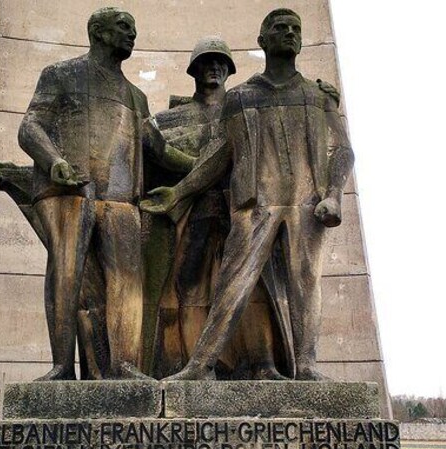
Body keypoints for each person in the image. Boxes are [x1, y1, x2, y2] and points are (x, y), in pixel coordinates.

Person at [141, 9, 354, 381]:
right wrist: (178, 193)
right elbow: (218, 157)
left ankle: (306, 365)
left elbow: (342, 150)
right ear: (262, 41)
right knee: (233, 282)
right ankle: (199, 364)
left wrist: (334, 194)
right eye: (279, 28)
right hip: (255, 206)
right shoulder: (240, 98)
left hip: (307, 205)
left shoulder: (317, 96)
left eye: (294, 29)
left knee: (305, 283)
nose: (288, 33)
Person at [18, 7, 194, 380]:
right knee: (66, 275)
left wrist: (203, 164)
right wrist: (53, 161)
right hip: (68, 193)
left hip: (121, 202)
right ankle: (62, 367)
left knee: (127, 282)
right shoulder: (61, 75)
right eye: (123, 27)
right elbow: (31, 126)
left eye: (134, 27)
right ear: (98, 32)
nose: (132, 34)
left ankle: (124, 366)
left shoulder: (135, 96)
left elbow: (158, 149)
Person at [146, 37, 287, 380]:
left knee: (252, 288)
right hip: (194, 213)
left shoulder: (244, 111)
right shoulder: (170, 120)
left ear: (229, 70)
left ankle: (262, 364)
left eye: (221, 63)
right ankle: (194, 366)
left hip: (239, 210)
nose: (214, 68)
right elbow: (154, 160)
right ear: (194, 70)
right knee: (188, 290)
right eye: (207, 63)